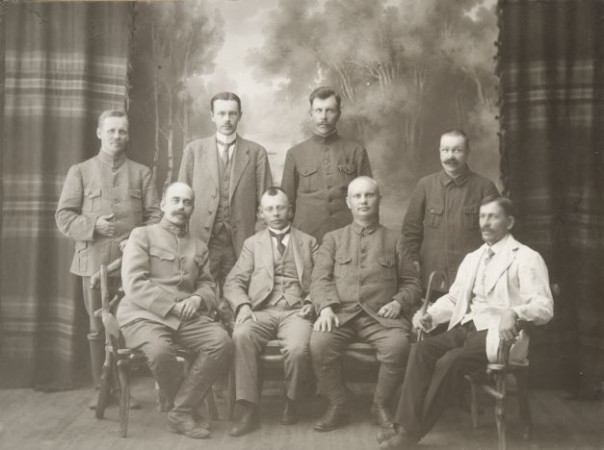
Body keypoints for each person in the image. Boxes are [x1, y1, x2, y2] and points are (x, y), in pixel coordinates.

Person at [379, 197, 554, 449]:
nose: (485, 223)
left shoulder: (526, 257)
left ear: (509, 222)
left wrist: (514, 313)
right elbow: (454, 298)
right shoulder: (474, 257)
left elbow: (544, 306)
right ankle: (404, 427)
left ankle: (410, 434)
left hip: (501, 335)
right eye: (482, 216)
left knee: (451, 360)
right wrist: (431, 315)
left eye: (493, 216)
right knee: (421, 350)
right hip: (469, 326)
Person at [55, 110, 160, 407]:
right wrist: (93, 226)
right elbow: (63, 217)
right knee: (97, 327)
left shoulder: (141, 173)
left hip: (132, 265)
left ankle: (123, 389)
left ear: (128, 135)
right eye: (111, 131)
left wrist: (136, 239)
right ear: (99, 133)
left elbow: (155, 216)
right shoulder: (80, 171)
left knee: (126, 324)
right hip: (93, 263)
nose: (117, 136)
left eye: (122, 131)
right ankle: (102, 389)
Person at [116, 182, 233, 439]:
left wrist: (198, 300)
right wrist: (172, 306)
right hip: (143, 315)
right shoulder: (142, 235)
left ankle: (180, 411)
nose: (181, 206)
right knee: (160, 351)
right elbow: (134, 284)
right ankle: (185, 411)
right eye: (176, 200)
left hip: (186, 317)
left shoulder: (199, 246)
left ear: (192, 208)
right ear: (163, 205)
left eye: (187, 202)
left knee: (221, 342)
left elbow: (207, 284)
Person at [309, 176, 422, 432]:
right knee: (319, 343)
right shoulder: (333, 239)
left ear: (379, 200)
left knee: (398, 346)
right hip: (341, 315)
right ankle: (337, 405)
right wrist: (325, 308)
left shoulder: (396, 239)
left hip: (382, 318)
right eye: (357, 196)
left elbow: (413, 283)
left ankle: (380, 405)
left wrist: (398, 302)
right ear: (348, 202)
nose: (363, 201)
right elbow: (319, 279)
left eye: (369, 195)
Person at [223, 187, 318, 436]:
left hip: (296, 311)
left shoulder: (308, 242)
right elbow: (233, 282)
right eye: (270, 209)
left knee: (297, 348)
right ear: (261, 213)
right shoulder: (252, 244)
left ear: (290, 210)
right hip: (261, 311)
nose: (275, 213)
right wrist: (243, 306)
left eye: (280, 208)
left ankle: (291, 401)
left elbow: (323, 280)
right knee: (241, 335)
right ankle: (248, 408)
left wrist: (311, 302)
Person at [178, 91, 273, 297]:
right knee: (201, 295)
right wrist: (183, 238)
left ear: (240, 115)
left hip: (241, 241)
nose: (227, 119)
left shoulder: (256, 152)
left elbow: (266, 204)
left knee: (237, 295)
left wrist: (257, 239)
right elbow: (180, 200)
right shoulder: (194, 150)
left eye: (232, 113)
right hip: (202, 240)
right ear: (212, 116)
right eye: (221, 114)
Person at [401, 129, 499, 288]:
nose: (450, 156)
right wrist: (413, 262)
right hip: (433, 278)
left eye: (457, 150)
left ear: (467, 152)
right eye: (445, 150)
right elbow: (410, 232)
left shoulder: (485, 187)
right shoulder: (425, 185)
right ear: (439, 151)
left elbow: (496, 234)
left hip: (473, 279)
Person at [281, 86, 372, 243]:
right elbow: (286, 204)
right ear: (311, 114)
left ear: (338, 114)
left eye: (329, 110)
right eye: (318, 110)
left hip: (347, 237)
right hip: (307, 238)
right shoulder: (294, 154)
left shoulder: (356, 150)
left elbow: (368, 199)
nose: (323, 116)